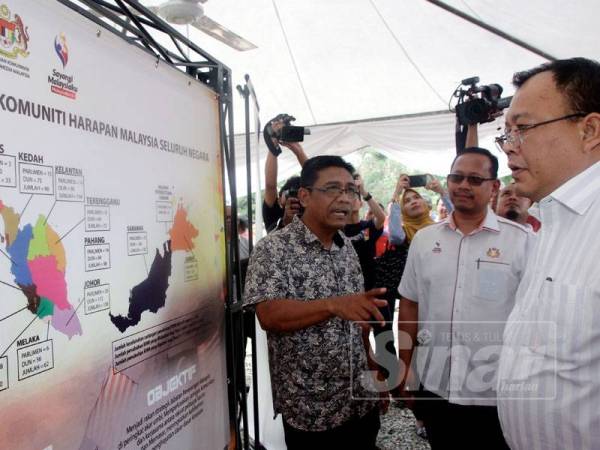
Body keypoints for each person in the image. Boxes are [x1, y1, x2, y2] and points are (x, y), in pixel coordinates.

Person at [243, 155, 388, 449]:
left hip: (360, 401)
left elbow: (357, 322)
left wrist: (373, 369)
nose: (345, 199)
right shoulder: (273, 249)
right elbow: (268, 315)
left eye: (350, 190)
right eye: (333, 189)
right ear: (305, 196)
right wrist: (332, 305)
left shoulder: (346, 247)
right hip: (312, 411)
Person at [397, 147, 533, 449]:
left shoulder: (521, 242)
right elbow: (409, 303)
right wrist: (404, 365)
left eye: (474, 179)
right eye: (457, 177)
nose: (463, 186)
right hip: (435, 386)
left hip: (496, 390)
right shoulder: (424, 240)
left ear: (494, 186)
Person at [496, 57, 600, 450]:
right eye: (504, 134)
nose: (508, 148)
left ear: (589, 130)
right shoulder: (548, 223)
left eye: (522, 129)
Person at [262, 114, 308, 232]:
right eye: (290, 193)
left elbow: (318, 179)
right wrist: (273, 145)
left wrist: (298, 150)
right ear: (278, 199)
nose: (293, 200)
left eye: (297, 194)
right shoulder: (275, 215)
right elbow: (270, 186)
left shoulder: (311, 214)